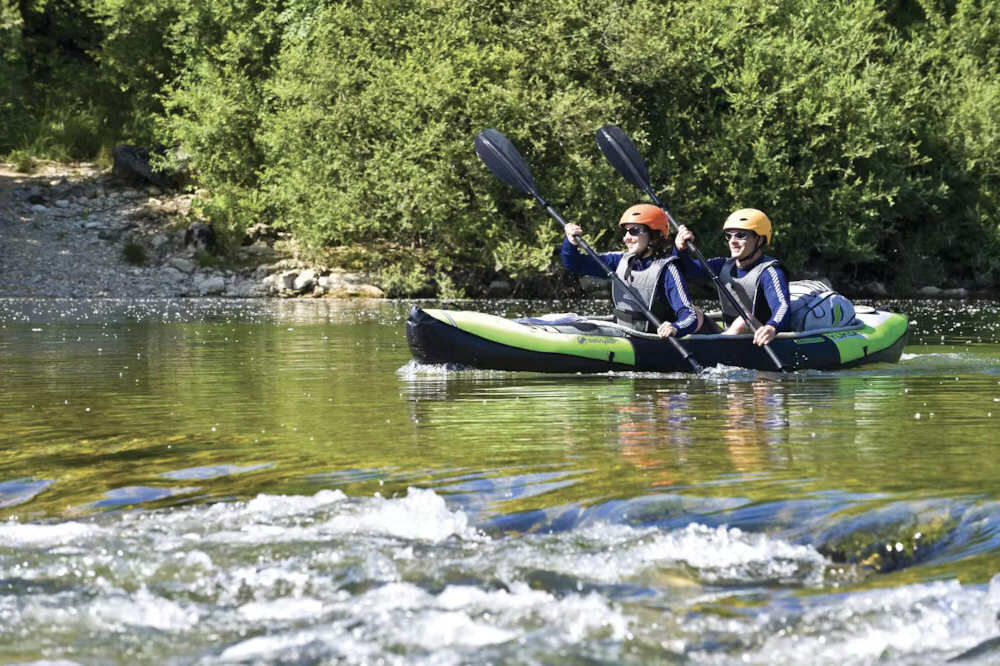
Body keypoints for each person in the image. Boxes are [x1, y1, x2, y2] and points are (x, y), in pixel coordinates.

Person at [562, 203, 710, 338]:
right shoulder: (618, 260)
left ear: (653, 236)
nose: (626, 238)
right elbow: (574, 264)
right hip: (623, 335)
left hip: (653, 340)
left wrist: (675, 328)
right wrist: (570, 242)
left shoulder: (668, 269)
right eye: (625, 232)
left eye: (634, 231)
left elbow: (690, 315)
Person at [673, 208, 791, 347]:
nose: (733, 241)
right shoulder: (722, 265)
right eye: (729, 236)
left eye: (740, 235)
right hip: (728, 335)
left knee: (743, 320)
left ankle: (713, 349)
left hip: (761, 338)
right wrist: (680, 249)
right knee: (693, 313)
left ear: (759, 240)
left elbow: (782, 306)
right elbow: (689, 270)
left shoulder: (770, 272)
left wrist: (772, 327)